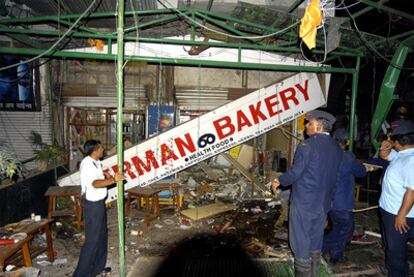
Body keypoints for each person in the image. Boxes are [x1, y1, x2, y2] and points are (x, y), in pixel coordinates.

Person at [272, 110, 343, 277]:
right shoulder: (337, 148)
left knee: (300, 241)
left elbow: (296, 172)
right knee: (316, 238)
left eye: (309, 123)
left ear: (318, 126)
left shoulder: (307, 145)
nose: (306, 126)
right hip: (323, 203)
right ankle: (314, 273)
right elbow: (336, 179)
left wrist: (279, 180)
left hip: (304, 202)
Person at [73, 139, 125, 277]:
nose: (103, 149)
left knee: (102, 238)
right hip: (93, 206)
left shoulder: (95, 162)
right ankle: (81, 274)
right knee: (92, 241)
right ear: (95, 151)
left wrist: (105, 176)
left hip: (99, 204)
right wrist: (113, 180)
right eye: (101, 148)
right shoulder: (87, 164)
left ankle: (97, 269)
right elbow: (95, 184)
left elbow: (97, 178)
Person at [322, 128, 367, 264]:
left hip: (325, 200)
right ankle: (321, 249)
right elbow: (361, 172)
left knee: (337, 227)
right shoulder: (347, 157)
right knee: (345, 230)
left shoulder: (324, 154)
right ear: (347, 142)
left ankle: (335, 255)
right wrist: (366, 167)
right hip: (341, 203)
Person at [378, 119, 414, 276]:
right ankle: (393, 270)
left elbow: (412, 191)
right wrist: (384, 147)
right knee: (392, 247)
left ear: (399, 141)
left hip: (398, 214)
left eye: (392, 138)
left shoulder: (411, 160)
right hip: (389, 211)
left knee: (396, 253)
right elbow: (385, 156)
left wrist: (401, 215)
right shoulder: (402, 155)